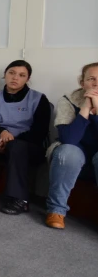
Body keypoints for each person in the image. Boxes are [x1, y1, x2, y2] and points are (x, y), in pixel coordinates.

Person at [0, 60, 51, 215]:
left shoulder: (38, 99)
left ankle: (19, 199)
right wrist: (2, 132)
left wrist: (11, 141)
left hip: (27, 145)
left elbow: (39, 132)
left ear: (27, 79)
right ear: (5, 74)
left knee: (16, 147)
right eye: (12, 73)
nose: (15, 78)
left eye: (22, 75)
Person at [44, 62, 98, 229]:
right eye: (91, 79)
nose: (96, 83)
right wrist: (86, 108)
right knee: (67, 151)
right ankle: (56, 210)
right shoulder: (68, 100)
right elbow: (69, 138)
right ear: (82, 83)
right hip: (74, 155)